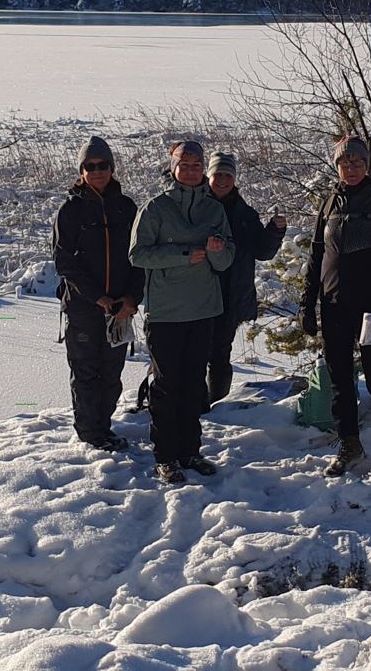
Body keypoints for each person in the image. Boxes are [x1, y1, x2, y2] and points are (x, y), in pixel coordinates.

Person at [302, 137, 371, 476]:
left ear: (367, 165)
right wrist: (308, 303)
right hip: (334, 304)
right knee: (339, 380)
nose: (350, 169)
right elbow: (317, 255)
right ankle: (349, 442)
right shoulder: (329, 203)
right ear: (336, 166)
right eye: (344, 163)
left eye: (357, 163)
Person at [130, 140, 237, 483]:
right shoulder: (156, 208)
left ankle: (190, 451)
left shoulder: (213, 209)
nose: (191, 171)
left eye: (196, 165)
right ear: (173, 168)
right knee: (166, 386)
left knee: (193, 385)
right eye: (184, 165)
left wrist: (216, 251)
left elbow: (226, 259)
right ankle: (165, 456)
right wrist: (183, 255)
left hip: (203, 309)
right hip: (166, 312)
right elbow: (137, 255)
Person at [52, 136, 142, 452]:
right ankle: (91, 435)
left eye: (103, 165)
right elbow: (64, 261)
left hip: (120, 309)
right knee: (86, 373)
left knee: (111, 374)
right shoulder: (70, 211)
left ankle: (104, 428)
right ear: (82, 171)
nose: (97, 171)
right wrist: (96, 297)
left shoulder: (126, 208)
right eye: (90, 166)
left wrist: (132, 299)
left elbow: (139, 259)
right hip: (83, 309)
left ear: (112, 167)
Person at [206, 151, 287, 403]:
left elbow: (262, 251)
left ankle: (216, 407)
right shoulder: (196, 208)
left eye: (227, 175)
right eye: (218, 174)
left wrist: (274, 231)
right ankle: (193, 406)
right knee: (192, 355)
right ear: (209, 176)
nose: (222, 180)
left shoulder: (245, 213)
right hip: (198, 295)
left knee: (220, 357)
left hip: (231, 297)